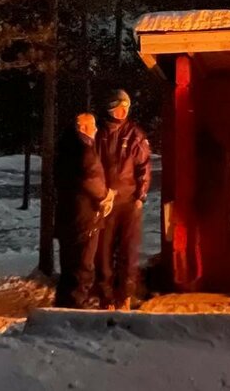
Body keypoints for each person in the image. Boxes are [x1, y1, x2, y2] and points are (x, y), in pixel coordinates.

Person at [95, 88, 152, 310]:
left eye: (125, 109)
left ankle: (124, 296)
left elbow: (144, 168)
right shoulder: (99, 134)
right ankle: (106, 297)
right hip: (105, 203)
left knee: (128, 252)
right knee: (104, 252)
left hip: (129, 201)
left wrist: (140, 196)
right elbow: (92, 165)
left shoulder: (134, 135)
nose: (121, 113)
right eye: (117, 108)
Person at [54, 112, 113, 308]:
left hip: (67, 214)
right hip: (85, 215)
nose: (96, 130)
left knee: (69, 261)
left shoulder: (64, 148)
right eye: (93, 126)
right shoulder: (85, 151)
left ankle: (65, 298)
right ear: (84, 128)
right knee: (83, 262)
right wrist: (105, 195)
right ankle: (79, 301)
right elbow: (92, 179)